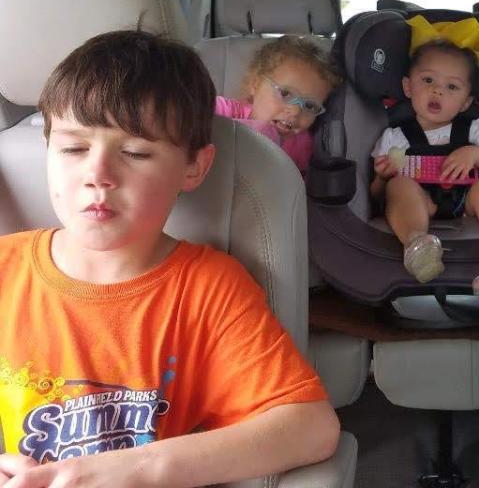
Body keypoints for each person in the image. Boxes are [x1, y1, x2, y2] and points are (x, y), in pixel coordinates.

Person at [0, 30, 339, 487]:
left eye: (136, 152)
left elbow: (310, 427)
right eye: (73, 148)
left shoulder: (207, 288)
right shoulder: (6, 270)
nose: (97, 175)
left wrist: (141, 470)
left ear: (195, 167)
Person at [370, 16, 479, 296]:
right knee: (398, 186)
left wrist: (474, 153)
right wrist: (383, 178)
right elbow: (375, 195)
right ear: (408, 87)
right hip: (423, 202)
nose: (437, 90)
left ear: (467, 101)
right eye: (428, 80)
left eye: (452, 87)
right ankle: (417, 244)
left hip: (469, 200)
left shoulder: (475, 129)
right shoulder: (395, 136)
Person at [214, 36, 340, 176]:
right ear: (255, 85)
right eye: (285, 93)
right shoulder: (226, 112)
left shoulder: (302, 146)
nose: (295, 111)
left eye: (310, 106)